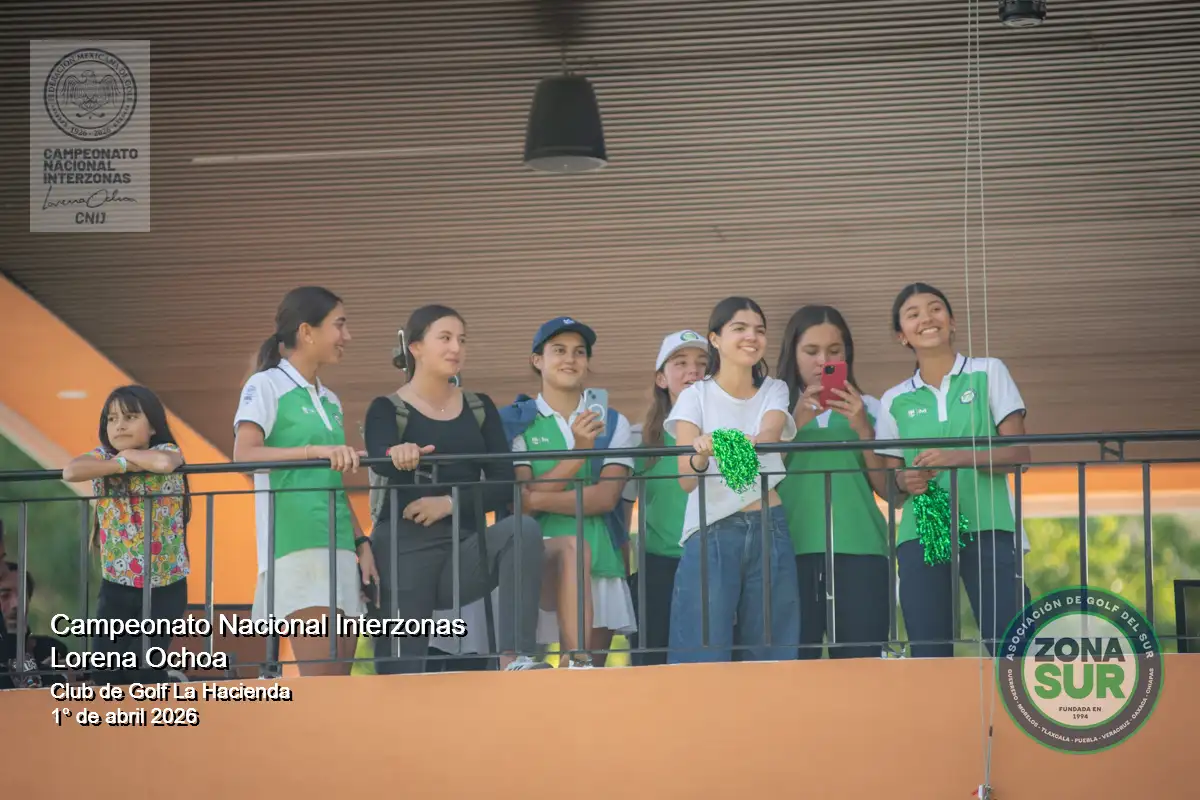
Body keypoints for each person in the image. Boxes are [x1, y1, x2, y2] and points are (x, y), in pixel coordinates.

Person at [362, 304, 546, 673]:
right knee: (401, 672)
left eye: (461, 339)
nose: (456, 348)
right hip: (403, 549)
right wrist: (398, 453)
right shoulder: (386, 408)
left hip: (464, 549)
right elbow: (380, 458)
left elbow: (503, 480)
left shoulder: (480, 406)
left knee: (522, 530)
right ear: (416, 347)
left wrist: (449, 503)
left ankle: (516, 658)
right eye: (444, 338)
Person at [873, 282, 1031, 658]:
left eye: (935, 309)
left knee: (1012, 647)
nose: (927, 318)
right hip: (921, 533)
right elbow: (893, 488)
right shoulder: (893, 399)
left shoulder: (989, 371)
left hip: (990, 524)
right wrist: (905, 480)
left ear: (953, 321)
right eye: (913, 314)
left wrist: (956, 457)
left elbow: (1018, 454)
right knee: (929, 651)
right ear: (901, 335)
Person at [233, 286, 378, 677]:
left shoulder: (330, 399)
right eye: (339, 325)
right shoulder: (265, 385)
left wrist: (361, 542)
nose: (347, 336)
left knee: (340, 684)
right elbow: (244, 455)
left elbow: (333, 481)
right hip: (296, 549)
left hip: (340, 548)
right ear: (307, 331)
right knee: (323, 682)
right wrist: (313, 450)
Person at [666, 297, 801, 664]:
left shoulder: (775, 389)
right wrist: (700, 453)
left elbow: (771, 436)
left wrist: (723, 445)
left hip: (769, 524)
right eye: (739, 328)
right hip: (711, 528)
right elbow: (686, 478)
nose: (751, 337)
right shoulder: (694, 395)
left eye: (759, 330)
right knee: (702, 650)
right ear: (715, 339)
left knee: (773, 649)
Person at [509, 317, 638, 668]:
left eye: (579, 352)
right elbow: (519, 505)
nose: (570, 359)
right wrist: (579, 452)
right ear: (537, 360)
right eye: (559, 350)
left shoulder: (613, 422)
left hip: (600, 561)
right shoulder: (515, 420)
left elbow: (604, 499)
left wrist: (536, 497)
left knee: (584, 680)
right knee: (521, 679)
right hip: (532, 565)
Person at [775, 305, 892, 659]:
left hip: (861, 551)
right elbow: (754, 480)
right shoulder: (772, 411)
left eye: (834, 351)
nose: (822, 361)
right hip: (789, 553)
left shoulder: (871, 407)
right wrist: (792, 424)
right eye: (811, 351)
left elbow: (890, 491)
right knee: (792, 672)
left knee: (862, 669)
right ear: (793, 354)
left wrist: (864, 430)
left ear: (846, 355)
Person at [61, 385, 192, 685]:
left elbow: (163, 464)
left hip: (165, 585)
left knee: (143, 669)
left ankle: (165, 688)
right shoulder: (102, 457)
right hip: (117, 583)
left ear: (153, 426)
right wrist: (120, 463)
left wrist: (130, 455)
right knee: (105, 672)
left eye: (130, 417)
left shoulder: (166, 450)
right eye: (112, 419)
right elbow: (70, 471)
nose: (119, 425)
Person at [622, 330, 709, 666]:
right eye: (681, 363)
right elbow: (623, 510)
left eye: (703, 364)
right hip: (657, 567)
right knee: (651, 668)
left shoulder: (728, 431)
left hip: (716, 564)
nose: (693, 370)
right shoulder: (639, 438)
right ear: (661, 378)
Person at [0, 566, 73, 689]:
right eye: (4, 596)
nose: (15, 604)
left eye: (22, 595)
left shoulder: (50, 649)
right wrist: (45, 673)